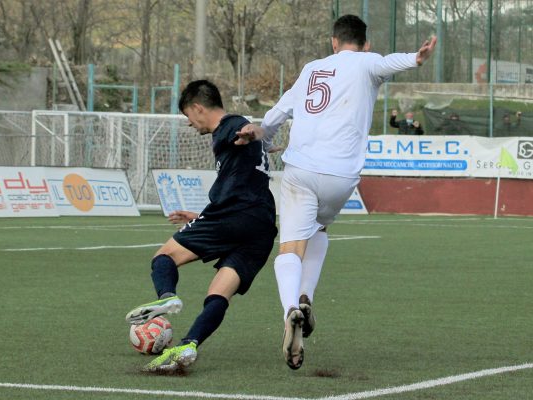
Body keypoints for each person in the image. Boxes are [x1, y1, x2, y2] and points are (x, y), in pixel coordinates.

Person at [236, 14, 436, 370]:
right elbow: (392, 63)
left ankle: (290, 311)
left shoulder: (313, 67)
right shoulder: (368, 62)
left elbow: (277, 116)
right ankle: (306, 297)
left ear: (333, 42)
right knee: (319, 230)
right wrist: (415, 59)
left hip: (301, 171)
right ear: (366, 43)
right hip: (342, 177)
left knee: (290, 248)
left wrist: (258, 132)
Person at [125, 80, 277, 372]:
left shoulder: (229, 127)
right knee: (219, 293)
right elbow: (242, 181)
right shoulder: (245, 140)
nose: (190, 124)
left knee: (164, 257)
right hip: (261, 224)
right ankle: (189, 344)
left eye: (188, 117)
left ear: (198, 107)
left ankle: (167, 298)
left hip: (231, 215)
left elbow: (243, 130)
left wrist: (252, 131)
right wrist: (200, 214)